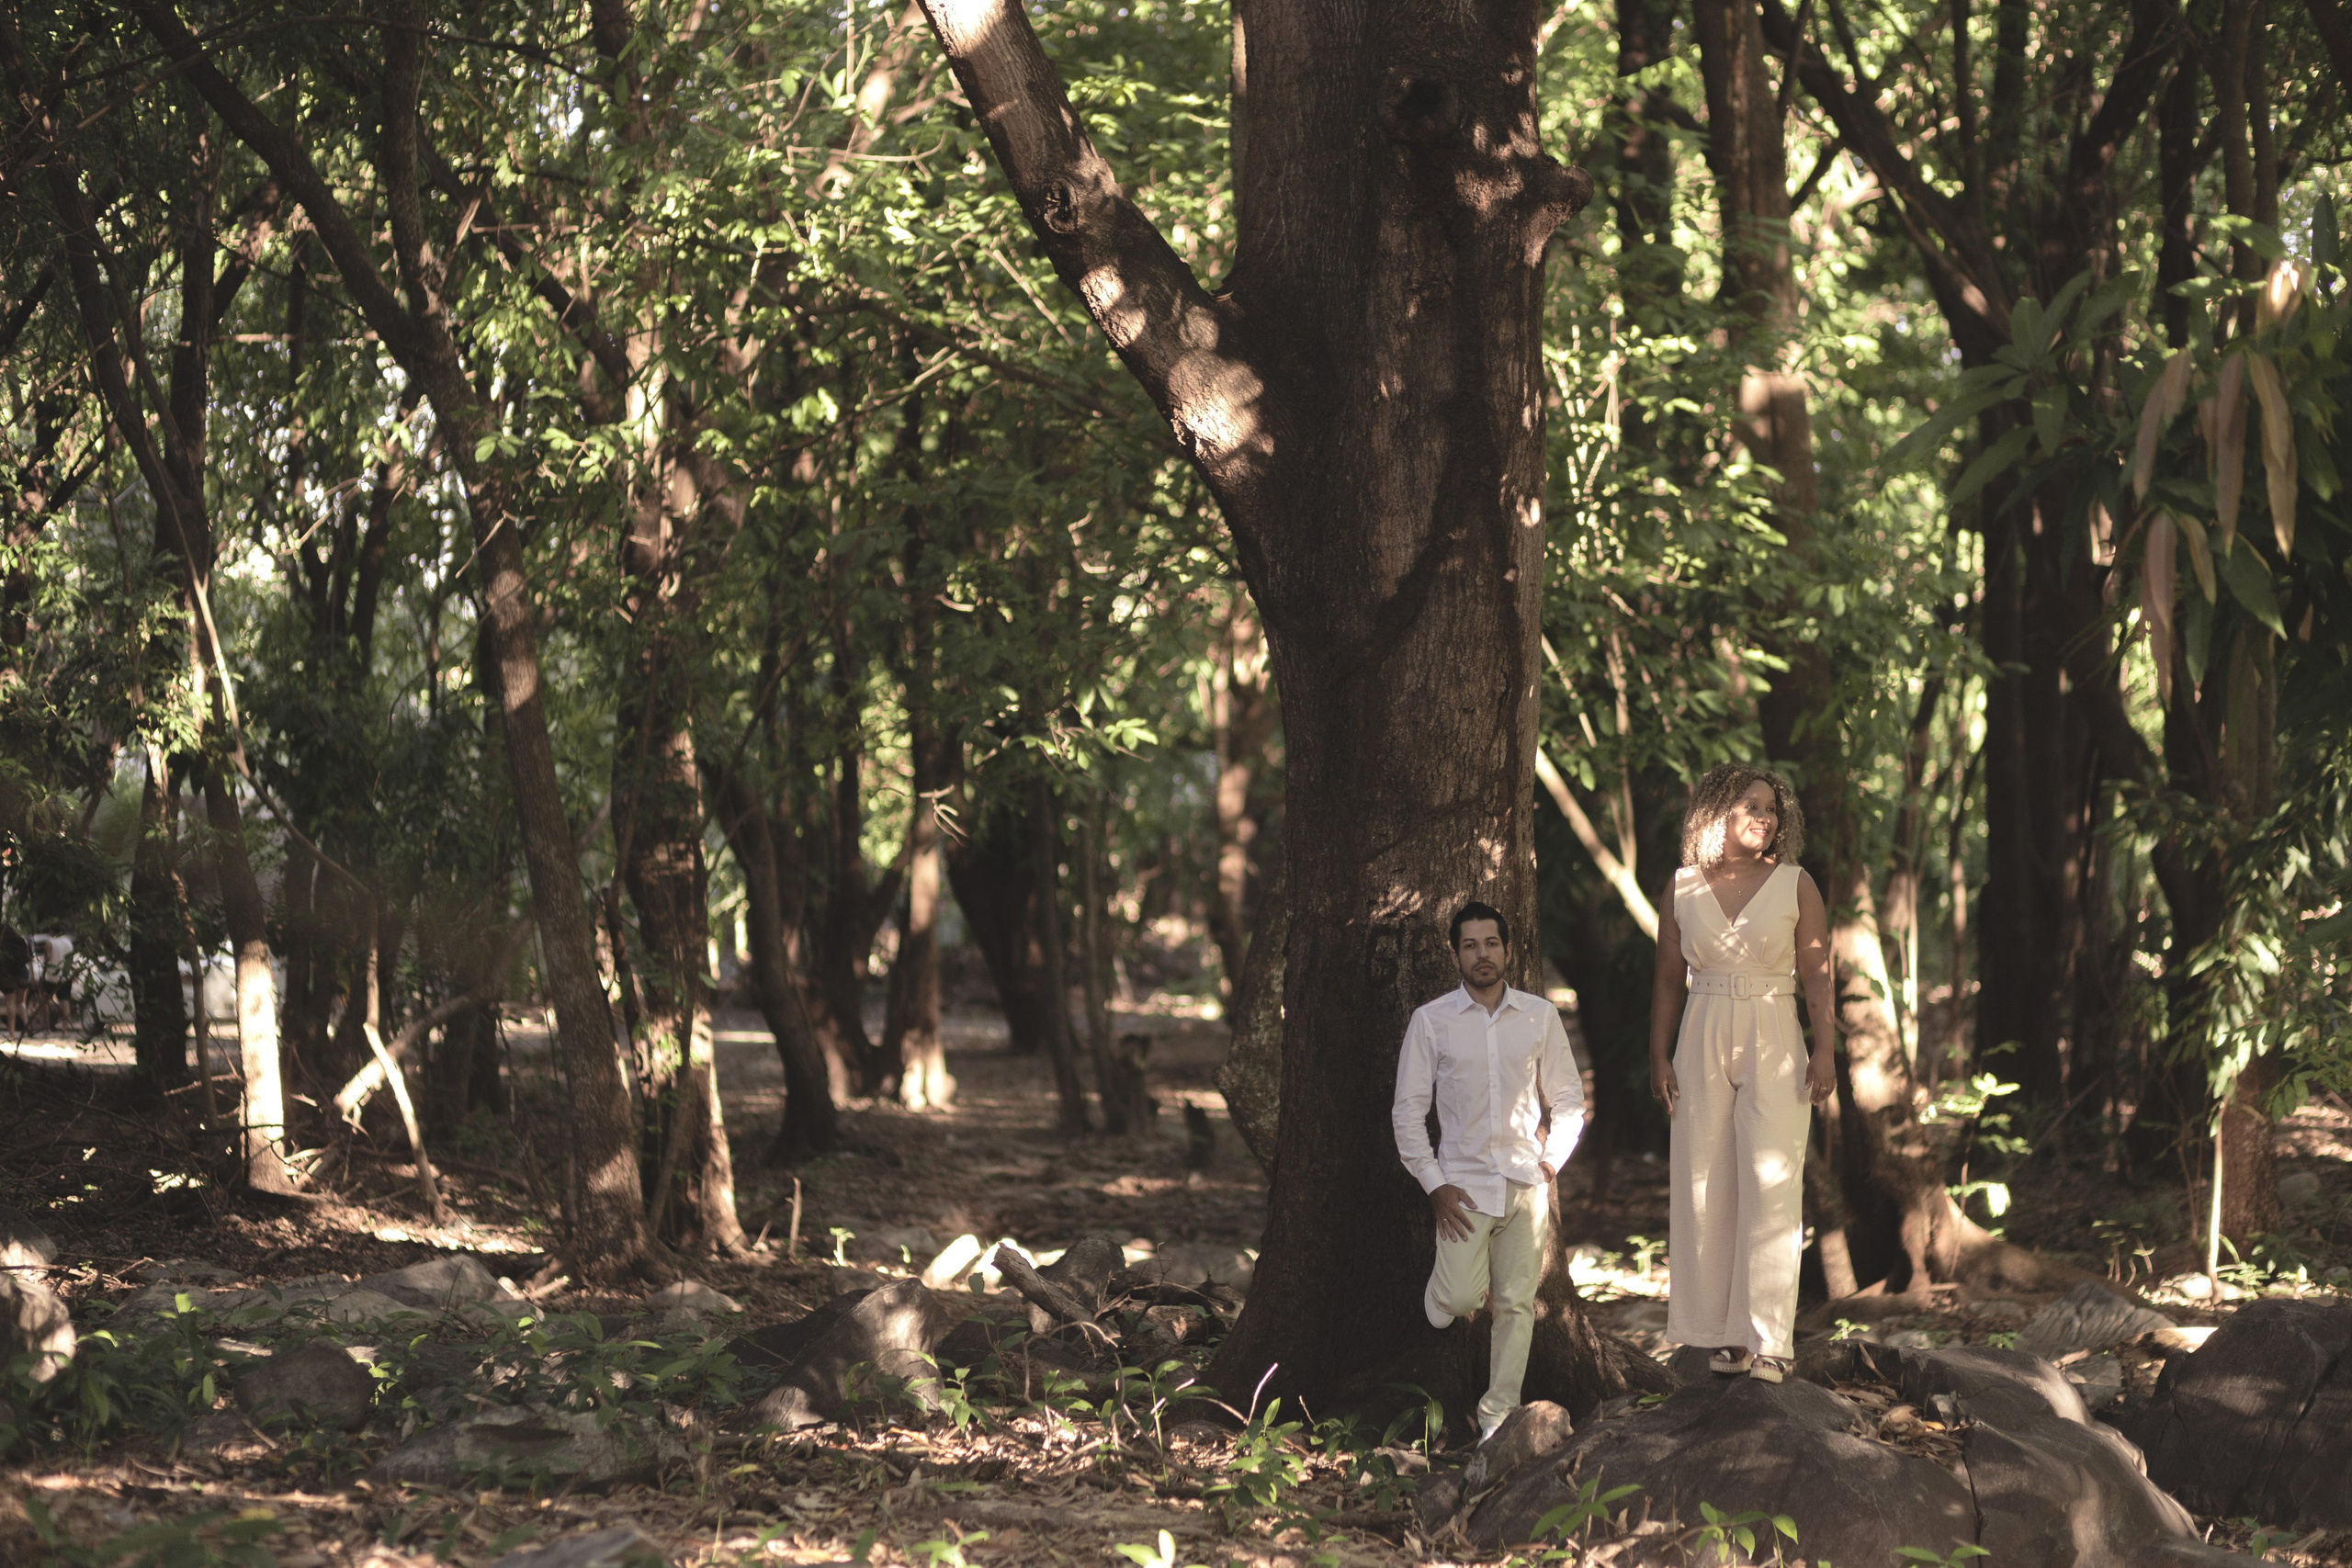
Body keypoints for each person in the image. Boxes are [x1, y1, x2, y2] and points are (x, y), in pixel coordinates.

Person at [1649, 764, 1837, 1383]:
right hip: (1701, 1028)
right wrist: (1659, 1052)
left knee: (1773, 1180)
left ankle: (1771, 1340)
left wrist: (1826, 1047)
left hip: (1774, 1027)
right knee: (1705, 1181)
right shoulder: (1682, 887)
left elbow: (1816, 974)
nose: (1767, 816)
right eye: (1751, 805)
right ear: (1715, 815)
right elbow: (1668, 978)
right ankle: (1722, 1336)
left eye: (1773, 808)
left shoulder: (1795, 884)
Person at [1393, 900, 1587, 1441]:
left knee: (1517, 1304)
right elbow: (1408, 1111)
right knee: (1457, 1300)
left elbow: (1569, 1098)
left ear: (1508, 949)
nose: (1483, 954)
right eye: (1471, 945)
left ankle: (1497, 1416)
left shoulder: (1538, 1016)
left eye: (1492, 943)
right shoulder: (1431, 1021)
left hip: (1525, 1182)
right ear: (1455, 954)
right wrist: (1434, 1186)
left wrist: (1551, 1162)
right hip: (1464, 1187)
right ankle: (1446, 1292)